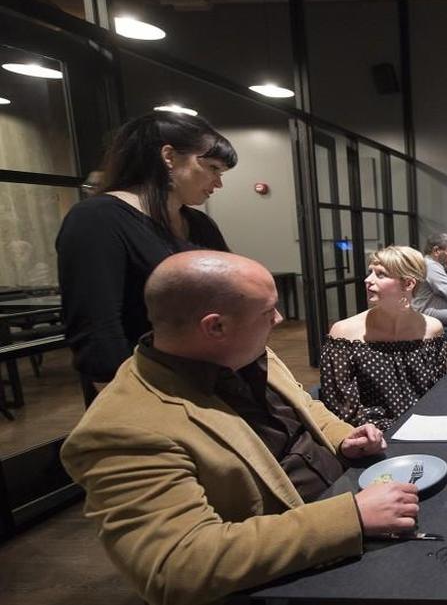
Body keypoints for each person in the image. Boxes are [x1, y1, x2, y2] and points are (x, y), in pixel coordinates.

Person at [60, 251, 420, 605]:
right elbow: (175, 567)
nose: (279, 318)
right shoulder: (123, 430)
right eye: (268, 311)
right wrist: (351, 517)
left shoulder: (245, 350)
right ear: (215, 326)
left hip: (354, 492)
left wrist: (344, 438)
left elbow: (305, 405)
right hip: (307, 566)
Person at [56, 111, 234, 386]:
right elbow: (96, 329)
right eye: (212, 168)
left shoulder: (199, 224)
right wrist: (126, 399)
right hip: (145, 386)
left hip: (208, 377)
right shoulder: (97, 218)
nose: (218, 182)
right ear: (169, 157)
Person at [321, 246, 447, 430]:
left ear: (408, 284)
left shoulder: (432, 329)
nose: (368, 280)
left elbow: (436, 394)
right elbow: (341, 408)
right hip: (370, 435)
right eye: (370, 272)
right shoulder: (343, 333)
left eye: (380, 274)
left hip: (424, 429)